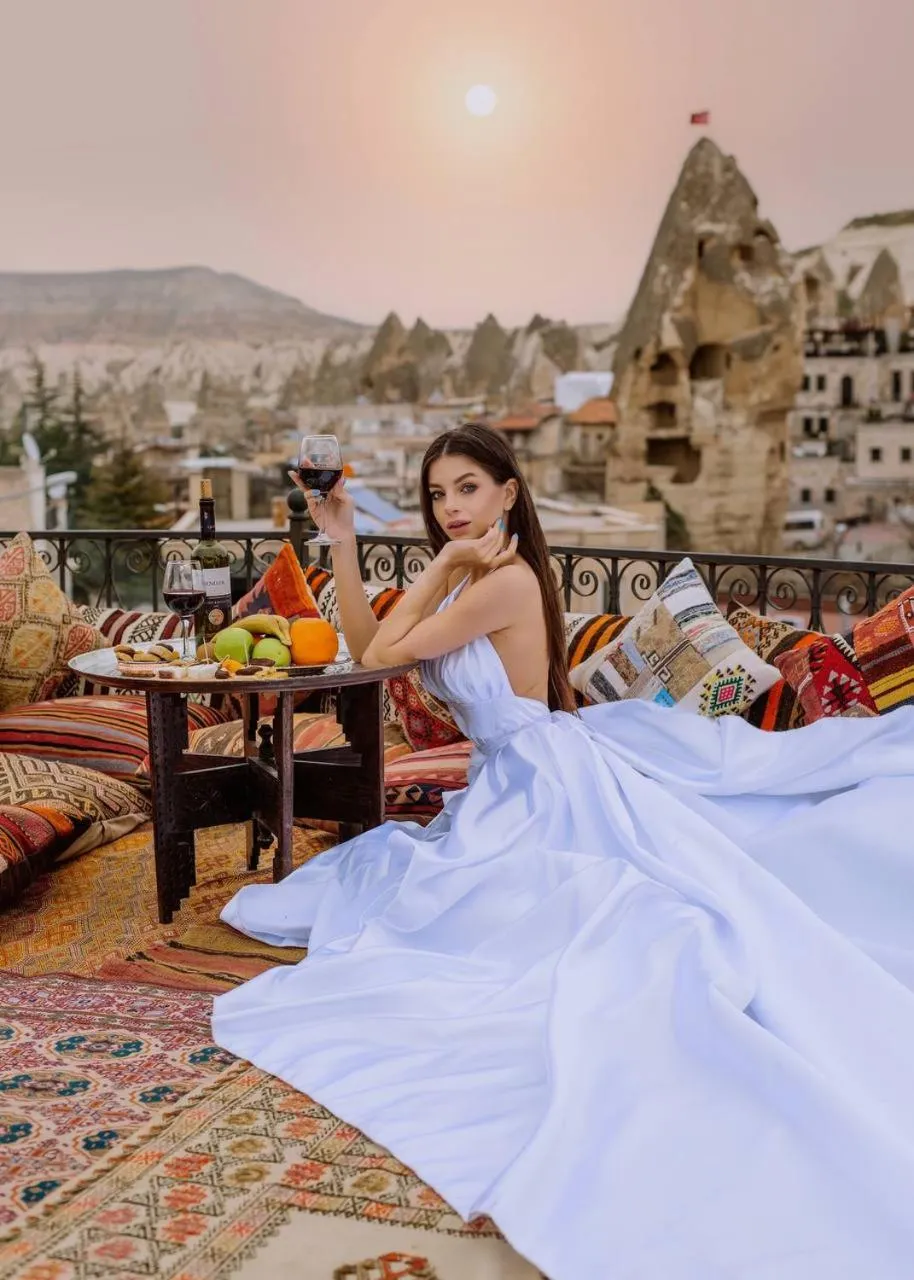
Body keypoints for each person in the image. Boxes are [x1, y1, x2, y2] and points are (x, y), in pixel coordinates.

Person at [213, 423, 914, 1280]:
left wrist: (436, 565)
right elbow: (366, 647)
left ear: (509, 492)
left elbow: (384, 651)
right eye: (438, 495)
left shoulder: (501, 580)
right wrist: (347, 542)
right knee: (416, 892)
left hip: (541, 782)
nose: (450, 508)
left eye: (468, 488)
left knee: (612, 923)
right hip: (507, 780)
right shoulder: (480, 573)